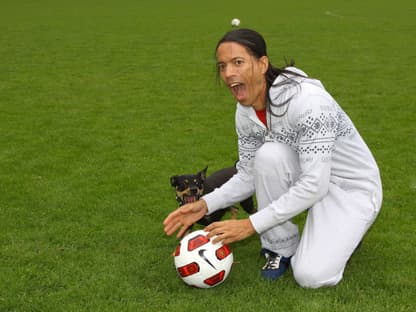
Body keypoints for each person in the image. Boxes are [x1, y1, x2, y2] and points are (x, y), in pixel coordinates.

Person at [163, 28, 382, 288]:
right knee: (268, 156)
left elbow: (315, 184)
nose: (228, 73)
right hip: (311, 176)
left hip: (351, 187)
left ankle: (349, 232)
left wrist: (251, 224)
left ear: (262, 64)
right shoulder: (244, 112)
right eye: (222, 66)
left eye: (238, 62)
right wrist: (206, 204)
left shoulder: (308, 102)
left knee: (311, 276)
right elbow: (247, 174)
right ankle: (280, 247)